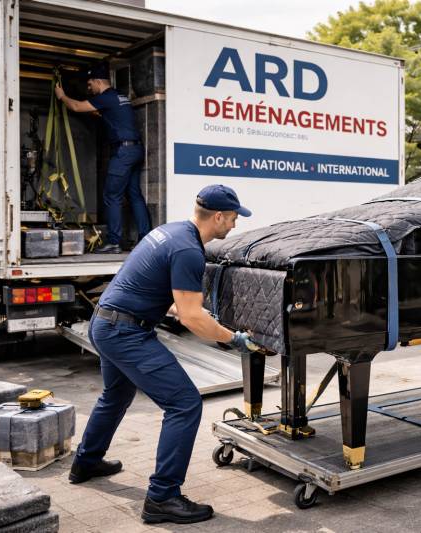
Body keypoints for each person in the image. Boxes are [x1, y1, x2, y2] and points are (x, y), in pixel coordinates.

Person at [69, 184, 260, 524]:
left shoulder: (169, 231)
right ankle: (163, 497)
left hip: (105, 321)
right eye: (231, 219)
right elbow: (191, 317)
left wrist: (194, 314)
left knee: (116, 395)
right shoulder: (189, 250)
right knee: (184, 404)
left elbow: (165, 297)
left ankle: (86, 462)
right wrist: (234, 338)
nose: (233, 226)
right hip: (124, 332)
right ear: (217, 216)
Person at [55, 63, 150, 253]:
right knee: (134, 195)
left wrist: (62, 96)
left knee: (111, 195)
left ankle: (114, 242)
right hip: (135, 150)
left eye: (90, 85)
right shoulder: (118, 97)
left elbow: (75, 106)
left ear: (98, 82)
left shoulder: (105, 97)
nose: (89, 89)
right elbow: (110, 116)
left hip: (123, 152)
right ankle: (145, 238)